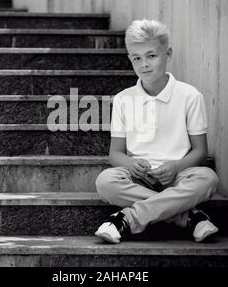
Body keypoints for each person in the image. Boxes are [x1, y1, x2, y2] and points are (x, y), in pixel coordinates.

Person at [94, 19, 219, 244]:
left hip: (178, 175)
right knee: (105, 181)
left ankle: (127, 218)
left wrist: (175, 167)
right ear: (130, 60)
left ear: (168, 54)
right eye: (137, 58)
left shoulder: (189, 96)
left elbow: (200, 151)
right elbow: (115, 155)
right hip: (139, 178)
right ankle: (188, 216)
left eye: (151, 56)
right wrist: (131, 165)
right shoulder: (124, 99)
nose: (144, 65)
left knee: (207, 178)